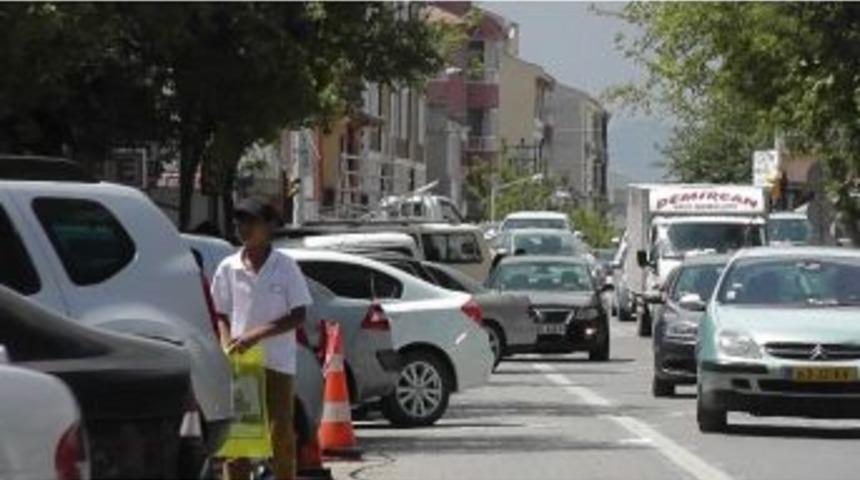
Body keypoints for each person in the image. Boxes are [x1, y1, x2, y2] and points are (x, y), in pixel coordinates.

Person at [210, 197, 312, 480]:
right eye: (239, 222)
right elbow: (221, 313)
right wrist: (226, 340)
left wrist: (258, 334)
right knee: (239, 441)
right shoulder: (228, 268)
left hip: (278, 363)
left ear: (268, 226)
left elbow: (299, 315)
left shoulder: (285, 267)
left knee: (281, 436)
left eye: (250, 222)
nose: (243, 228)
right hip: (243, 364)